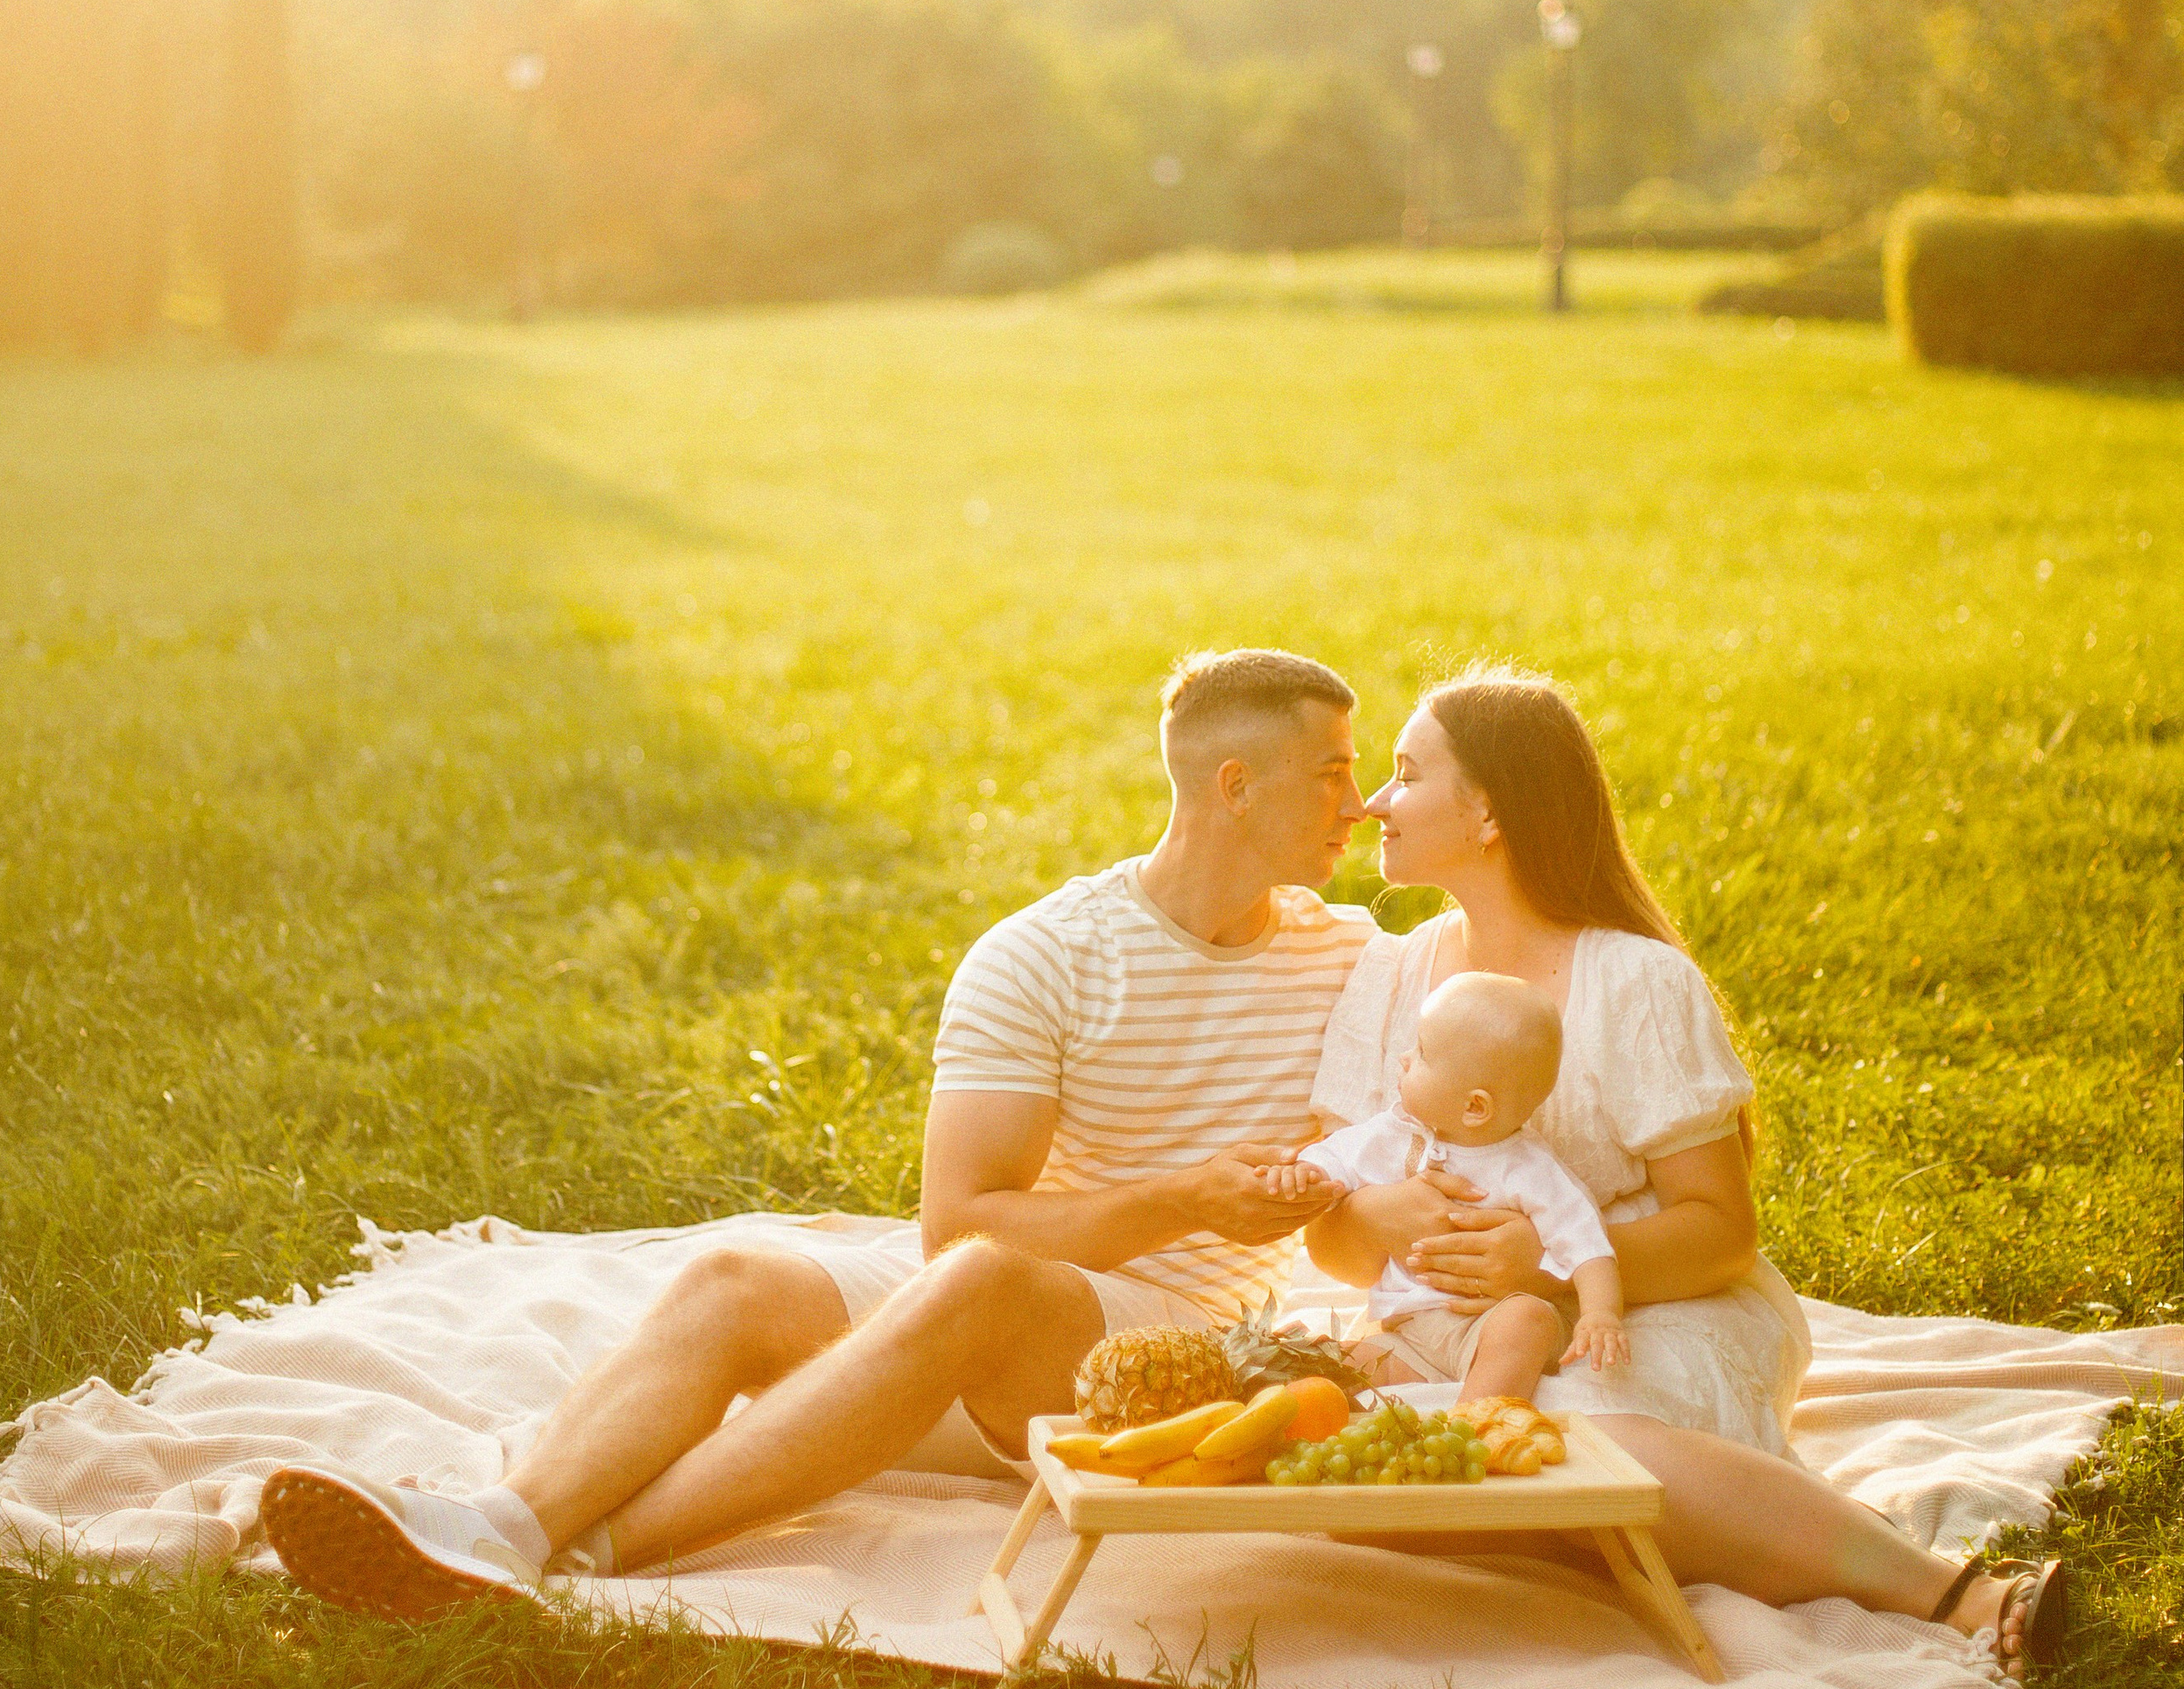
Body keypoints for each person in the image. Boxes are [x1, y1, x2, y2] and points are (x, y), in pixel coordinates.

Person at [261, 648, 1377, 1619]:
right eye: (1333, 774)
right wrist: (1185, 1194)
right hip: (1015, 1323)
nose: (1359, 803)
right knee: (739, 1278)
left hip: (1198, 1355)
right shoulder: (1044, 955)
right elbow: (957, 1225)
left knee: (984, 1286)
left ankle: (589, 1554)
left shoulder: (1353, 953)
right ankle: (501, 1525)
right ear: (1234, 785)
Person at [1302, 661, 2065, 1679]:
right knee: (1394, 1461)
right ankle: (1641, 1523)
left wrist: (1550, 1265)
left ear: (1487, 811)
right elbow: (1330, 1234)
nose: (1374, 801)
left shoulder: (1634, 982)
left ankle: (1955, 1590)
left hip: (1659, 1304)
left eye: (1405, 773)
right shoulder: (1388, 975)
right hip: (1452, 1330)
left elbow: (1720, 1229)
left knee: (1572, 1438)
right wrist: (1389, 1217)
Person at [1281, 968, 1625, 1405]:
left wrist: (1600, 1314)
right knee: (1329, 1366)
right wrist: (1303, 1172)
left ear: (1475, 1106)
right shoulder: (1396, 1133)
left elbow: (1589, 1247)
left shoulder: (1528, 1169)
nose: (1405, 1058)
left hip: (1488, 1325)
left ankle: (1476, 1426)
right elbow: (1335, 1157)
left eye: (1422, 1054)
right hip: (1411, 1336)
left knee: (1527, 1321)